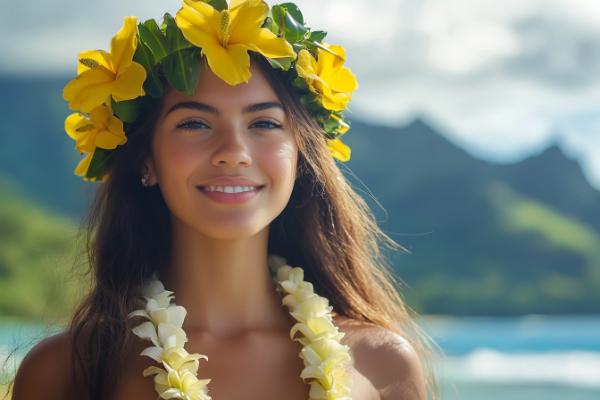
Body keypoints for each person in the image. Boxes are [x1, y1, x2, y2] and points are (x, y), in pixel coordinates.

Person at [11, 1, 438, 399]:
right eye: (195, 123)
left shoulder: (381, 363)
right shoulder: (67, 371)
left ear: (301, 157)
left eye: (265, 123)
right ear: (147, 161)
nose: (234, 150)